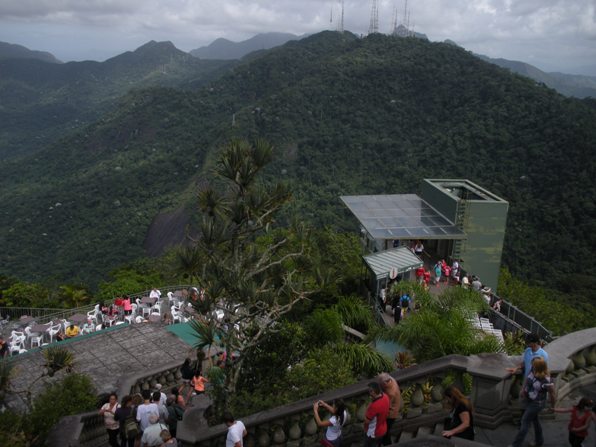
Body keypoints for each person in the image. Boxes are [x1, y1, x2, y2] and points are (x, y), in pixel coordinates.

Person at [508, 357, 555, 447]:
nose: (531, 367)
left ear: (539, 367)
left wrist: (553, 406)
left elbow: (552, 394)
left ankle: (516, 444)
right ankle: (539, 441)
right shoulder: (533, 370)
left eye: (533, 366)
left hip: (537, 403)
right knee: (535, 420)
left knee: (524, 422)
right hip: (529, 399)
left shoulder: (546, 380)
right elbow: (528, 378)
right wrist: (523, 390)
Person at [363, 381, 390, 447]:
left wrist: (368, 407)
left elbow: (366, 421)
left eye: (369, 391)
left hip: (373, 433)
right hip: (383, 429)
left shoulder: (374, 406)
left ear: (373, 392)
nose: (369, 393)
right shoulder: (385, 396)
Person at [378, 373, 401, 446]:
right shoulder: (391, 380)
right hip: (392, 410)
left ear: (386, 383)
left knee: (385, 432)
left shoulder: (390, 393)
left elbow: (385, 406)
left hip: (390, 414)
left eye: (381, 383)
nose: (379, 384)